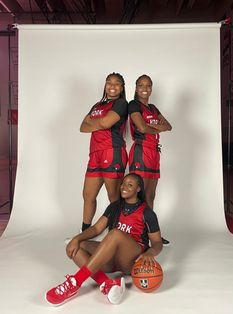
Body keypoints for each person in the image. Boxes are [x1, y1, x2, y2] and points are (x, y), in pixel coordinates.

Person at [45, 173, 163, 306]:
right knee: (77, 247)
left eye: (130, 185)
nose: (124, 187)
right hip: (111, 259)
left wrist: (150, 253)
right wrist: (76, 239)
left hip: (131, 260)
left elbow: (157, 242)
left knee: (115, 234)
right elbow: (96, 229)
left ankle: (75, 282)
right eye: (123, 183)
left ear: (138, 189)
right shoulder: (115, 206)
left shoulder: (147, 212)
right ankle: (106, 283)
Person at [79, 73, 128, 232]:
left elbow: (106, 123)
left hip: (112, 152)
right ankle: (85, 232)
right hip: (95, 153)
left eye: (117, 84)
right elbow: (82, 127)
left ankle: (115, 234)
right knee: (88, 195)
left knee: (113, 197)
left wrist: (97, 123)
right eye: (109, 83)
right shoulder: (97, 106)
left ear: (122, 88)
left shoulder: (121, 104)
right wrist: (100, 123)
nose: (112, 86)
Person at [128, 75, 172, 245]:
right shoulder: (134, 105)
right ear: (136, 88)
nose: (145, 88)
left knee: (150, 196)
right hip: (141, 151)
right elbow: (141, 127)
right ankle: (136, 233)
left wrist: (150, 128)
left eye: (148, 85)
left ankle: (149, 232)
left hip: (154, 153)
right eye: (141, 85)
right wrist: (154, 127)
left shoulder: (152, 107)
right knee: (139, 195)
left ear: (151, 88)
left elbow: (169, 126)